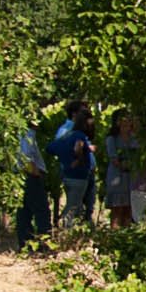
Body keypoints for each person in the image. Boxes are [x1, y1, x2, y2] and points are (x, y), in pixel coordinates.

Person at [12, 110, 61, 248]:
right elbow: (26, 157)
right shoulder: (27, 134)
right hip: (30, 176)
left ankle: (25, 245)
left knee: (24, 212)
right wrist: (36, 173)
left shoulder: (18, 133)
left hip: (22, 176)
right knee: (41, 211)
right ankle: (45, 244)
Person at [51, 98, 99, 231]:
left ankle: (82, 235)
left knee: (88, 206)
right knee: (74, 206)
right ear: (74, 114)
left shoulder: (82, 130)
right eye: (84, 111)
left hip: (87, 173)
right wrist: (77, 159)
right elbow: (60, 149)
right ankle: (67, 233)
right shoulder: (66, 130)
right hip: (75, 174)